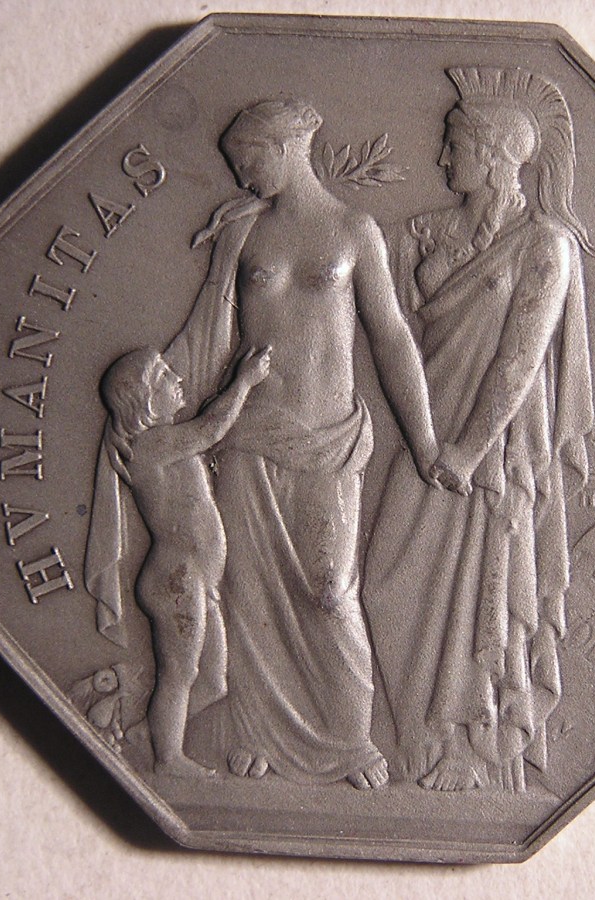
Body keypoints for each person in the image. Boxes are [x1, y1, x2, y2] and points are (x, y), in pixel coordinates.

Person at [163, 99, 438, 789]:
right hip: (251, 434)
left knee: (329, 587)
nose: (242, 176)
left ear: (287, 147)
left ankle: (350, 739)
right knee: (250, 591)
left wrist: (425, 441)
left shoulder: (354, 230)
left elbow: (391, 336)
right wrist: (153, 408)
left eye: (248, 160)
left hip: (327, 439)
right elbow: (207, 332)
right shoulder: (242, 232)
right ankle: (258, 732)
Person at [364, 67, 595, 792]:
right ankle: (415, 741)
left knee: (479, 595)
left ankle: (465, 751)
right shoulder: (431, 231)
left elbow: (520, 359)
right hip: (424, 429)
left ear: (495, 156)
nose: (442, 159)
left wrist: (469, 449)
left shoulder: (546, 246)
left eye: (455, 145)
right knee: (383, 584)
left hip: (489, 452)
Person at [98, 345, 271, 782]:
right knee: (180, 674)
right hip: (175, 579)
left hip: (196, 581)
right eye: (163, 376)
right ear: (143, 401)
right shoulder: (150, 444)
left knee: (212, 683)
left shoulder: (162, 442)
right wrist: (244, 382)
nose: (176, 378)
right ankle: (168, 759)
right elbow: (211, 429)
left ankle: (147, 734)